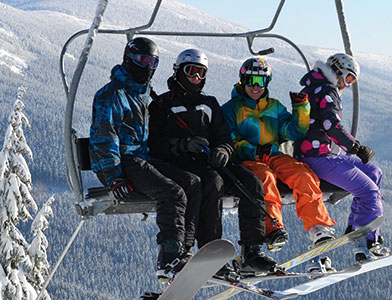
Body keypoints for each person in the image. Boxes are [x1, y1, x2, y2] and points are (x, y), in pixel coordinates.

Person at [148, 49, 277, 274]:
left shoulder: (209, 103)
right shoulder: (162, 105)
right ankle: (207, 251)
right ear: (178, 72)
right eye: (191, 71)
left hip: (212, 162)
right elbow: (154, 144)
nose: (196, 78)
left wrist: (223, 151)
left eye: (201, 73)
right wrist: (183, 145)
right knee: (211, 182)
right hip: (182, 165)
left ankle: (251, 251)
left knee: (252, 182)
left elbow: (223, 136)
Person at [89, 37, 202, 281]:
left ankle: (184, 250)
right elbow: (104, 139)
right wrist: (113, 178)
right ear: (129, 60)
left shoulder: (141, 94)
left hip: (140, 158)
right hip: (121, 162)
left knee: (192, 183)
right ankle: (170, 256)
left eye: (154, 62)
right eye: (143, 60)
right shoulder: (112, 95)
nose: (148, 67)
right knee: (172, 193)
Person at [221, 57, 336, 251]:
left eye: (261, 81)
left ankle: (318, 226)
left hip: (274, 155)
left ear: (267, 82)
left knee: (302, 174)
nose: (256, 87)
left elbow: (293, 132)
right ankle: (273, 229)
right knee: (264, 179)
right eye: (251, 81)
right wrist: (252, 150)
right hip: (248, 160)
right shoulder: (232, 109)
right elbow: (229, 140)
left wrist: (301, 108)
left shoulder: (274, 107)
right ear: (243, 81)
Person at [293, 53, 390, 262]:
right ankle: (366, 242)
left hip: (318, 154)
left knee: (374, 172)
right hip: (317, 157)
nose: (347, 85)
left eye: (352, 82)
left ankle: (355, 229)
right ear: (337, 71)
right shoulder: (327, 90)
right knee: (368, 191)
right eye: (348, 79)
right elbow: (332, 126)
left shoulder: (314, 86)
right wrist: (355, 147)